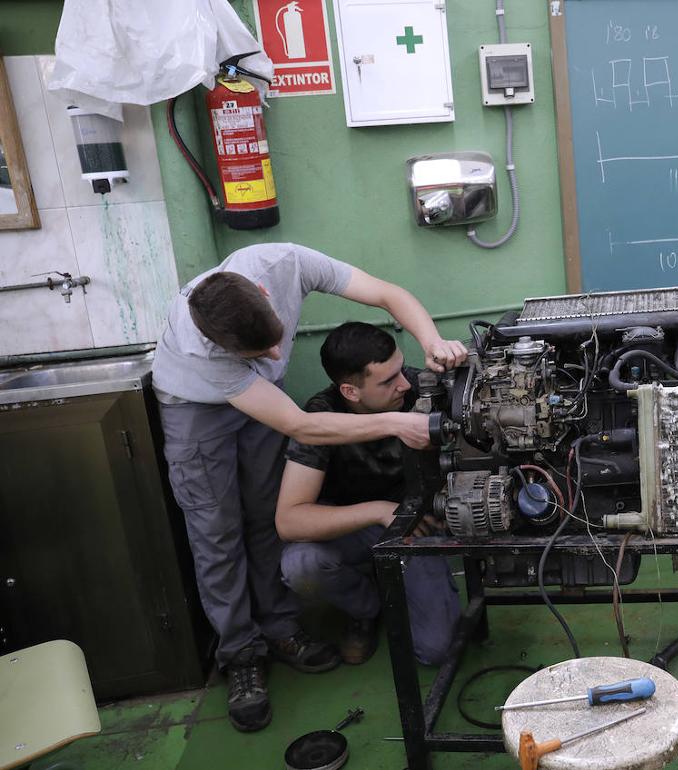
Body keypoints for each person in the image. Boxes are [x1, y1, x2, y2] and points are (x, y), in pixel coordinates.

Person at [152, 243, 467, 733]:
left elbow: (385, 293)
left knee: (261, 521)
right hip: (196, 407)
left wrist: (432, 342)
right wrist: (394, 424)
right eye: (262, 352)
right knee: (217, 533)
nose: (278, 356)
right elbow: (304, 427)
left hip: (261, 393)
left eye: (278, 339)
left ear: (265, 294)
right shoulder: (204, 353)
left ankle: (280, 630)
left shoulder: (282, 264)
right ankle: (241, 656)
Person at [275, 323, 460, 668]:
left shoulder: (422, 389)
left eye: (400, 369)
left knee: (435, 649)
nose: (404, 384)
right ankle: (368, 607)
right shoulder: (319, 418)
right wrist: (379, 510)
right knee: (301, 565)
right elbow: (289, 521)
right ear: (350, 391)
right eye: (388, 381)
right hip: (355, 527)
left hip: (415, 528)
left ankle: (403, 596)